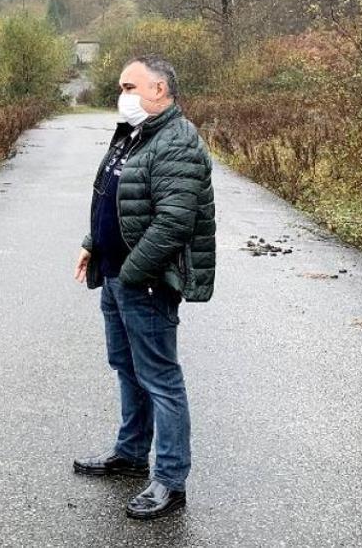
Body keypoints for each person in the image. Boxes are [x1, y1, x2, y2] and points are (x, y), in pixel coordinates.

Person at [73, 55, 216, 520]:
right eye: (121, 87)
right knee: (127, 368)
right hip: (116, 275)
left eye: (130, 87)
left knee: (160, 378)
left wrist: (133, 273)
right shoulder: (135, 134)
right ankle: (131, 454)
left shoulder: (177, 141)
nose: (122, 94)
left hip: (145, 281)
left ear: (159, 90)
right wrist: (93, 243)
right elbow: (114, 197)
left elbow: (174, 221)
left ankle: (170, 482)